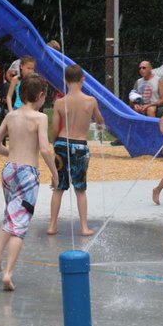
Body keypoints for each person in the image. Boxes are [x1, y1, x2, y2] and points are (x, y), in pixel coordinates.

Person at [0, 73, 58, 291]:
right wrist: (56, 175)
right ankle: (8, 272)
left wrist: (12, 153)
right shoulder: (40, 118)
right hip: (28, 174)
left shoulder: (11, 116)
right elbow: (45, 150)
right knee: (20, 224)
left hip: (9, 170)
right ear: (40, 96)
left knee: (10, 213)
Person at [46, 64, 104, 237]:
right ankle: (84, 227)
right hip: (80, 146)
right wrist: (99, 125)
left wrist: (55, 145)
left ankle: (52, 225)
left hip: (62, 144)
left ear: (65, 80)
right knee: (80, 189)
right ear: (83, 79)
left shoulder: (59, 102)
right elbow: (100, 120)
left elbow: (55, 129)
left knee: (58, 187)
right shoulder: (91, 101)